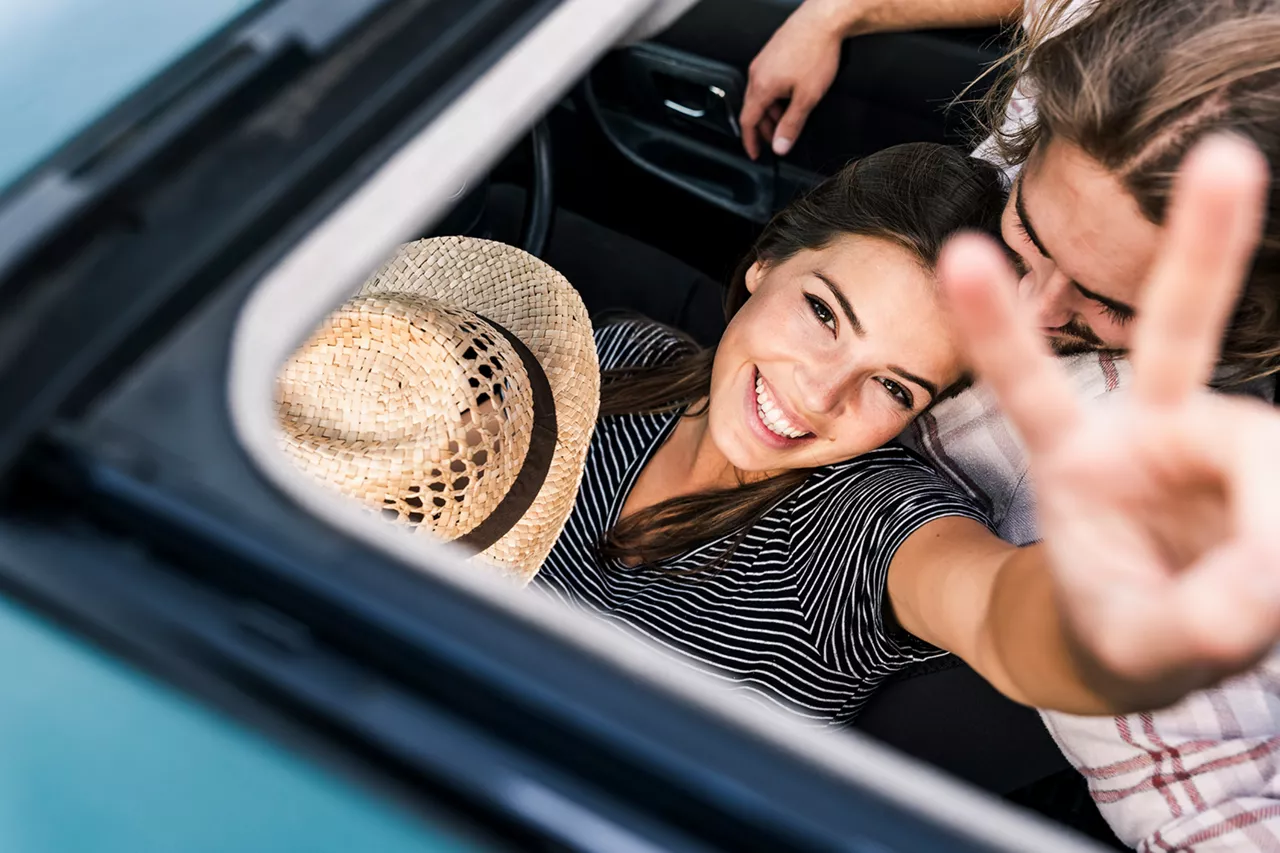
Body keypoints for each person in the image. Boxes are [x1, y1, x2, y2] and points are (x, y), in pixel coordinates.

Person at [742, 0, 1280, 847]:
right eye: (1026, 232)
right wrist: (838, 13)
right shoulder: (1107, 54)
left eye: (1107, 303)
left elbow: (1208, 803)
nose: (1031, 308)